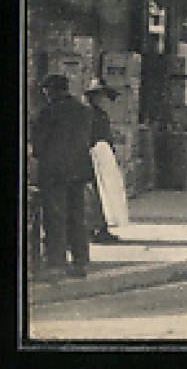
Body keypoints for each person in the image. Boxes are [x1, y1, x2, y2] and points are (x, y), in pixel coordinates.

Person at [30, 75, 95, 278]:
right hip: (80, 169)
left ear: (51, 90)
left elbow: (38, 145)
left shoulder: (49, 112)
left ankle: (56, 262)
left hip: (55, 171)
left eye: (46, 90)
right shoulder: (83, 110)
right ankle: (80, 261)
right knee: (77, 216)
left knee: (55, 216)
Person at [84, 83, 122, 243]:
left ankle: (102, 227)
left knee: (106, 193)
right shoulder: (89, 114)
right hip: (94, 155)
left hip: (103, 155)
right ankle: (95, 228)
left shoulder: (100, 114)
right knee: (96, 194)